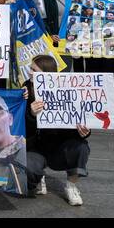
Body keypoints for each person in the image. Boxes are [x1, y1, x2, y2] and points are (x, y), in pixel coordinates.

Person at [24, 55, 88, 205]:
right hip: (36, 147)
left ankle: (71, 186)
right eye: (31, 68)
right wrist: (31, 114)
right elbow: (22, 128)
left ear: (47, 74)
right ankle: (38, 177)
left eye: (34, 70)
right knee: (27, 171)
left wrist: (83, 130)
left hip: (60, 147)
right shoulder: (25, 89)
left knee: (81, 147)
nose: (30, 72)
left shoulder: (65, 89)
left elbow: (76, 118)